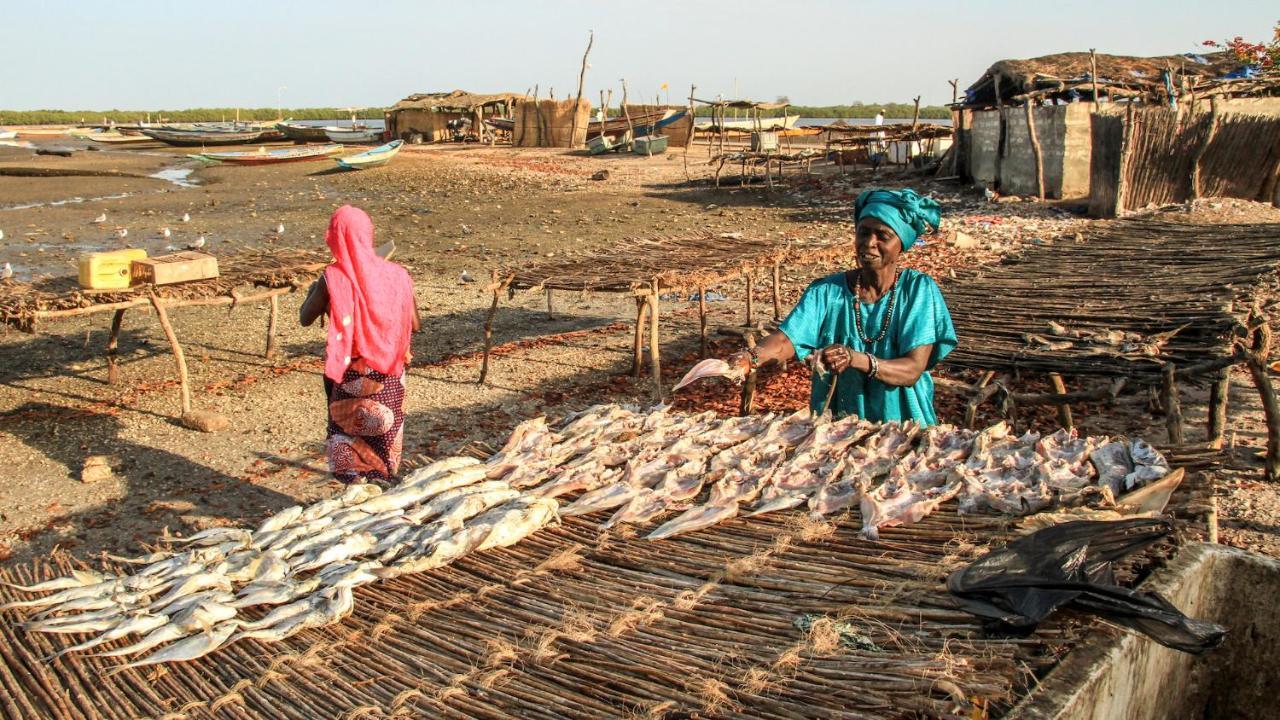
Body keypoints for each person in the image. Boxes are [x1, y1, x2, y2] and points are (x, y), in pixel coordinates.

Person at [727, 188, 956, 425]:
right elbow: (786, 340)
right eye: (863, 233)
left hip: (904, 426)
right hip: (839, 427)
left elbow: (912, 369)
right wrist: (751, 357)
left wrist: (854, 358)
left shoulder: (917, 291)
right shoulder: (827, 291)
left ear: (902, 243)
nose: (869, 243)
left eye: (883, 236)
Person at [300, 205, 420, 484]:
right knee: (384, 444)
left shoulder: (334, 278)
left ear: (334, 238)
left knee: (348, 445)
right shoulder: (397, 275)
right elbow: (415, 324)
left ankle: (355, 497)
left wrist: (314, 292)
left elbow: (306, 318)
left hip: (352, 374)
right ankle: (383, 496)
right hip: (390, 374)